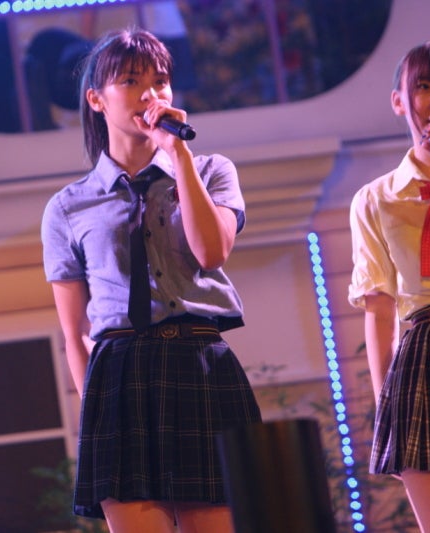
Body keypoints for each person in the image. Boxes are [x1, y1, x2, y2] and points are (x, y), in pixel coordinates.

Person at [40, 28, 261, 532]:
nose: (150, 94)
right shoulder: (68, 206)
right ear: (96, 99)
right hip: (120, 375)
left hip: (200, 363)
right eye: (131, 81)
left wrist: (177, 156)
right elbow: (75, 332)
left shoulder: (210, 171)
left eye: (160, 81)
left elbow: (212, 251)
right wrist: (97, 412)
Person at [348, 40, 430, 533]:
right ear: (400, 101)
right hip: (424, 356)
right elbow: (379, 308)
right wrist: (387, 408)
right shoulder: (375, 199)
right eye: (424, 86)